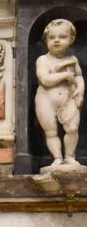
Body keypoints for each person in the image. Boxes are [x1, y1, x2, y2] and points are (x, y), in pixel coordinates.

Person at [34, 17, 84, 170]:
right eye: (52, 37)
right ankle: (57, 158)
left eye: (62, 37)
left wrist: (80, 91)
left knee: (73, 128)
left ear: (71, 39)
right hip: (46, 100)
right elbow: (45, 80)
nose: (56, 40)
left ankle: (70, 157)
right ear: (46, 40)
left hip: (69, 98)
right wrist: (64, 75)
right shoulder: (42, 60)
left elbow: (79, 77)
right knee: (50, 131)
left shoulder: (73, 59)